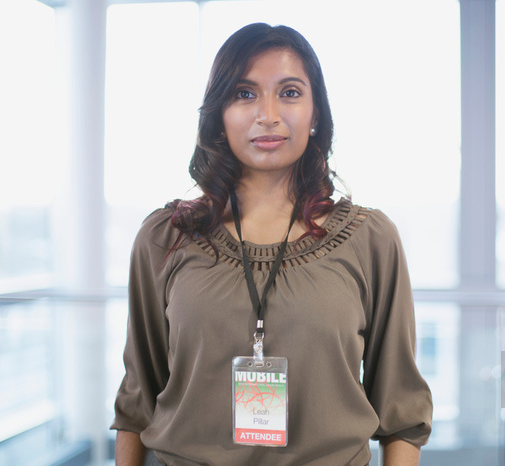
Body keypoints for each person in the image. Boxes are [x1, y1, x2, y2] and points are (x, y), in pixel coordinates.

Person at [111, 23, 432, 466]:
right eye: (244, 93)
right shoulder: (165, 237)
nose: (268, 114)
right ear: (218, 115)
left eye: (290, 93)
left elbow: (401, 415)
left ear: (316, 113)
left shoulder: (370, 239)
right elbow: (137, 405)